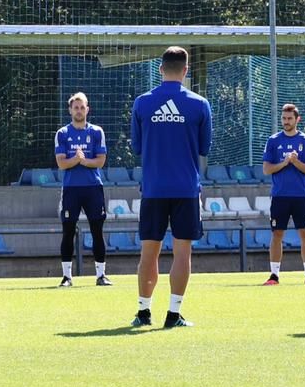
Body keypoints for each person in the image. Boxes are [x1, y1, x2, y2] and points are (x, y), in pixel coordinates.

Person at [129, 47, 212, 328]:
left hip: (153, 189)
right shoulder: (200, 104)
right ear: (185, 70)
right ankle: (173, 314)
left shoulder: (142, 103)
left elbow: (137, 147)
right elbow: (204, 147)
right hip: (186, 189)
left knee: (148, 252)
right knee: (182, 253)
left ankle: (143, 313)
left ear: (161, 68)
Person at [55, 92, 111, 288]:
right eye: (75, 107)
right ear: (70, 110)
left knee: (97, 230)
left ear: (88, 109)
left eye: (82, 107)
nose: (79, 110)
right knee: (68, 230)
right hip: (71, 189)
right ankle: (67, 277)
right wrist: (75, 161)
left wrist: (83, 161)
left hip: (93, 188)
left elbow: (100, 161)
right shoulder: (62, 133)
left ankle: (101, 275)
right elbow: (61, 164)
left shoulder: (96, 132)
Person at [261, 102, 305, 286]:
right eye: (284, 118)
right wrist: (284, 163)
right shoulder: (273, 140)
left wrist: (296, 162)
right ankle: (274, 275)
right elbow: (267, 169)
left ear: (297, 119)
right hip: (279, 195)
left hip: (301, 195)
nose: (286, 122)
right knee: (277, 233)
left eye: (289, 118)